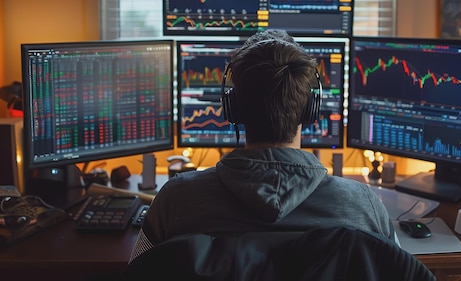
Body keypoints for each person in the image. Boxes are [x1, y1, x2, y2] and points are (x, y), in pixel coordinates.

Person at [129, 30, 395, 262]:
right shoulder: (364, 206)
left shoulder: (176, 200)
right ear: (309, 110)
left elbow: (137, 272)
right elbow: (400, 271)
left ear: (233, 109)